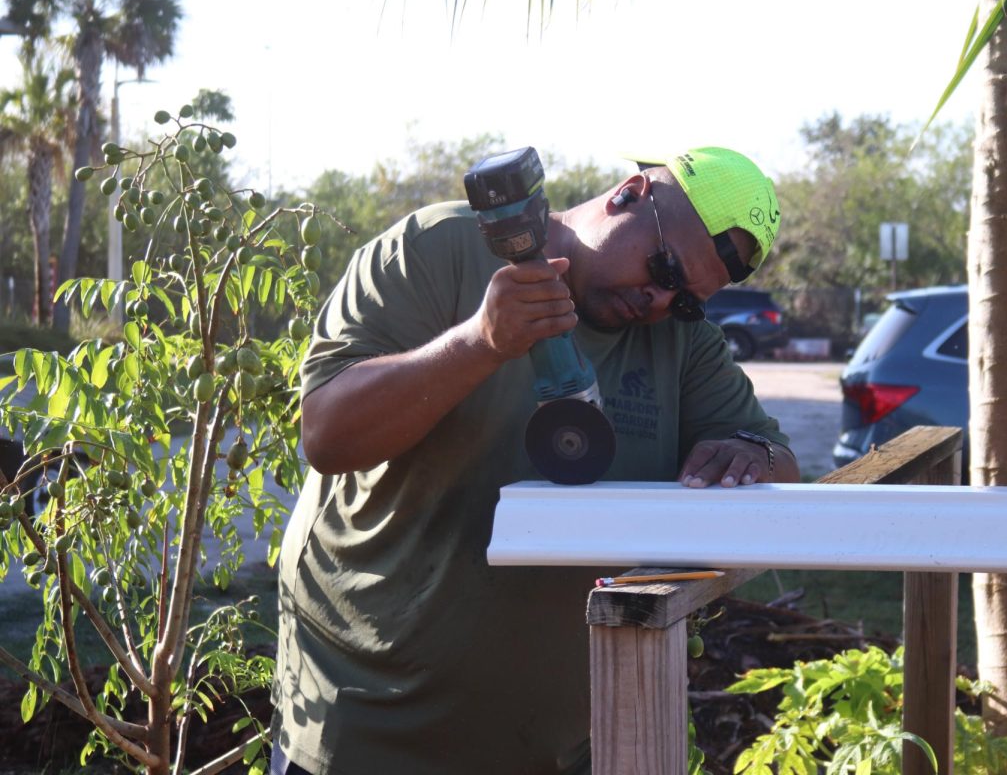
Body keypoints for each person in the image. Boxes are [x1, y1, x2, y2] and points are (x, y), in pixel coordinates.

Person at [270, 147, 800, 775]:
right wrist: (480, 342)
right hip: (366, 728)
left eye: (684, 298)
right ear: (629, 194)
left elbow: (779, 462)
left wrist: (748, 455)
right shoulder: (437, 252)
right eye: (663, 267)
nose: (658, 301)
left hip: (559, 745)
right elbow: (329, 435)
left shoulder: (679, 341)